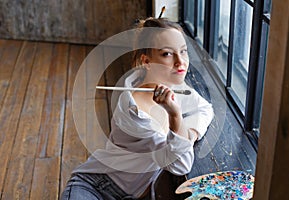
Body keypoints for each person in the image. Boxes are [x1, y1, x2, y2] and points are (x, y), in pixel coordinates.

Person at [61, 17, 214, 200]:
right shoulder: (135, 112)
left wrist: (188, 134)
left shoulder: (169, 85)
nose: (180, 62)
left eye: (183, 51)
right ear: (147, 61)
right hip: (96, 187)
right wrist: (175, 117)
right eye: (167, 54)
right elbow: (180, 165)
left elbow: (205, 109)